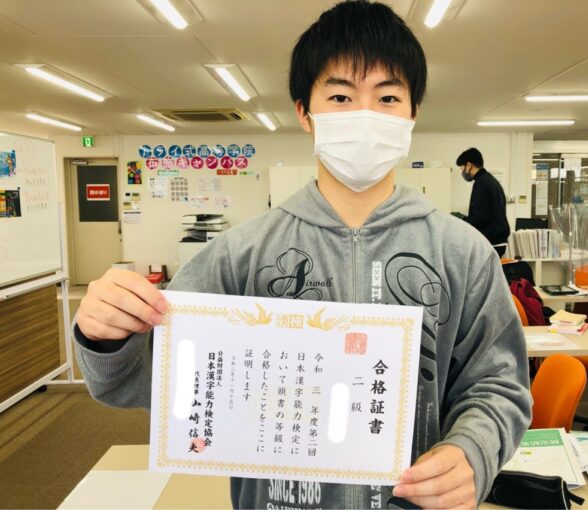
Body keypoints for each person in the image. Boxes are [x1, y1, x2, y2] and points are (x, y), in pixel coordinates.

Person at [74, 2, 531, 508]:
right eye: (340, 96)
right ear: (304, 114)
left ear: (412, 114)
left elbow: (498, 384)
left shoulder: (461, 253)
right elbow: (146, 380)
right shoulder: (241, 254)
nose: (364, 116)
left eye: (387, 97)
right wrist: (106, 335)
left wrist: (472, 450)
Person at [457, 148, 511, 257]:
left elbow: (480, 217)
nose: (462, 172)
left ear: (468, 165)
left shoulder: (481, 183)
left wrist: (462, 221)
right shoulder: (490, 180)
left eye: (461, 168)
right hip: (497, 239)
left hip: (490, 241)